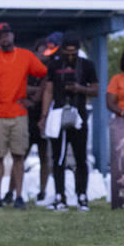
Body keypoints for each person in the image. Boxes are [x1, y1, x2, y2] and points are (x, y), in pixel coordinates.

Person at [39, 34, 99, 212]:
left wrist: (79, 88)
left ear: (78, 51)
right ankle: (60, 196)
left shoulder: (86, 65)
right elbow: (48, 91)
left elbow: (95, 90)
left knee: (81, 158)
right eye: (67, 54)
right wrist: (43, 116)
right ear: (62, 51)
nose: (70, 57)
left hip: (78, 117)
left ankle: (82, 196)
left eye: (73, 54)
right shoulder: (54, 64)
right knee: (58, 157)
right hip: (58, 115)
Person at [0, 22, 49, 209]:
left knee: (19, 156)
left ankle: (19, 196)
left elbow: (44, 74)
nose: (4, 38)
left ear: (13, 36)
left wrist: (34, 98)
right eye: (0, 35)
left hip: (19, 113)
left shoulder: (25, 56)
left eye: (7, 34)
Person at [25, 38, 53, 204]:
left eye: (46, 50)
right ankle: (13, 192)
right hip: (28, 117)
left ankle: (43, 191)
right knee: (20, 156)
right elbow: (20, 87)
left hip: (44, 119)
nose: (43, 53)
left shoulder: (50, 71)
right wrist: (37, 91)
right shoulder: (27, 69)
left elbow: (50, 92)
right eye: (41, 50)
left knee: (44, 157)